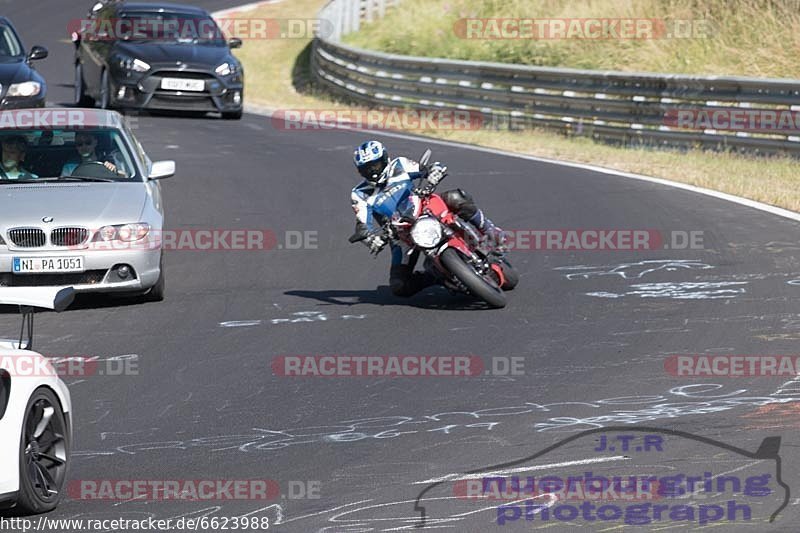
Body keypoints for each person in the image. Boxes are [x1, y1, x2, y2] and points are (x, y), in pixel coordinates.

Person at [350, 140, 507, 297]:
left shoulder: (399, 165)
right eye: (367, 168)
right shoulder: (360, 194)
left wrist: (434, 172)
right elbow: (363, 225)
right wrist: (372, 240)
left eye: (375, 165)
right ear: (360, 171)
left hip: (423, 207)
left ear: (384, 159)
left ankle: (489, 229)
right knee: (399, 286)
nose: (373, 171)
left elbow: (426, 168)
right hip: (399, 233)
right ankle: (436, 275)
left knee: (455, 197)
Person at [61, 132, 126, 177]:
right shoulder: (69, 167)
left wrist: (115, 171)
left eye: (88, 142)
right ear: (76, 147)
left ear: (95, 142)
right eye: (79, 144)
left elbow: (125, 179)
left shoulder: (111, 161)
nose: (84, 147)